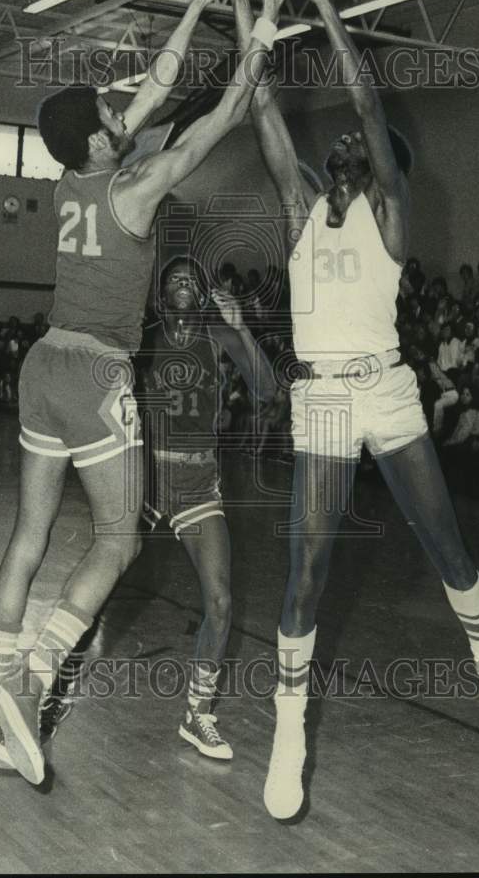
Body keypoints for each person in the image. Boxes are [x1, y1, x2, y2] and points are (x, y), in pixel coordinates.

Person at [0, 0, 294, 784]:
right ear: (100, 139)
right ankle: (27, 691)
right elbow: (212, 121)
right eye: (109, 115)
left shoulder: (77, 179)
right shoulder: (134, 187)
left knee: (29, 539)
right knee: (116, 542)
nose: (122, 113)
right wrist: (255, 49)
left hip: (42, 364)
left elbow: (152, 91)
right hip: (98, 373)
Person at [238, 0, 479, 820]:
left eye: (365, 159)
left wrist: (324, 2)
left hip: (389, 390)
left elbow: (364, 101)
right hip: (323, 395)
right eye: (345, 159)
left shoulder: (392, 221)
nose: (349, 162)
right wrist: (248, 9)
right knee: (307, 569)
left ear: (381, 174)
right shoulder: (297, 213)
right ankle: (289, 731)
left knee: (447, 547)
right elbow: (263, 112)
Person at [135, 255, 275, 758]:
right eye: (173, 279)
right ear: (160, 292)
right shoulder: (144, 337)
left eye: (191, 281)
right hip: (147, 478)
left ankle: (199, 714)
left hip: (198, 484)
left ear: (205, 293)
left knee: (220, 601)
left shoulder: (220, 337)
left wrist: (243, 328)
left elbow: (267, 389)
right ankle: (50, 689)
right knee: (98, 590)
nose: (182, 286)